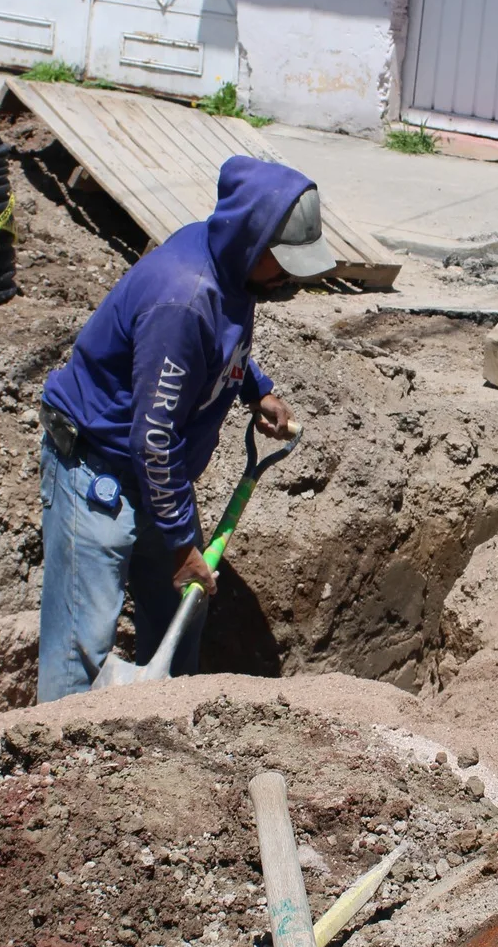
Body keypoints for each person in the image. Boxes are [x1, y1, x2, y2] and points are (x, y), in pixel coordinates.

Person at [36, 158, 335, 702]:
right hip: (95, 467)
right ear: (250, 239)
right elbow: (153, 437)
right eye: (284, 260)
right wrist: (180, 545)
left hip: (151, 472)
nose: (290, 275)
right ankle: (51, 771)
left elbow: (218, 346)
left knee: (180, 614)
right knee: (82, 650)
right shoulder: (185, 296)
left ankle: (164, 743)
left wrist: (255, 387)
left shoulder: (231, 267)